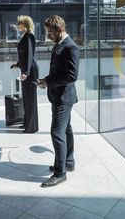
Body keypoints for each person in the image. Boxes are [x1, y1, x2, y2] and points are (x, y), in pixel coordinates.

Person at [38, 15, 80, 187]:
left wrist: (50, 82)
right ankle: (68, 162)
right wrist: (46, 80)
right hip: (58, 96)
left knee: (57, 133)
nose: (48, 36)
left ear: (60, 30)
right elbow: (58, 72)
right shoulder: (59, 45)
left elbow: (72, 76)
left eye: (50, 32)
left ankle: (60, 173)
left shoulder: (71, 47)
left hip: (64, 98)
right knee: (66, 130)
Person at [11, 15, 38, 133]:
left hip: (30, 71)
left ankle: (31, 127)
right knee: (26, 98)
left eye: (19, 23)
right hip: (26, 69)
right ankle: (27, 122)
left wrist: (26, 72)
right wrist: (18, 64)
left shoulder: (29, 36)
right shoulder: (24, 36)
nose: (17, 25)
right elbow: (23, 54)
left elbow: (30, 55)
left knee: (30, 99)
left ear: (25, 25)